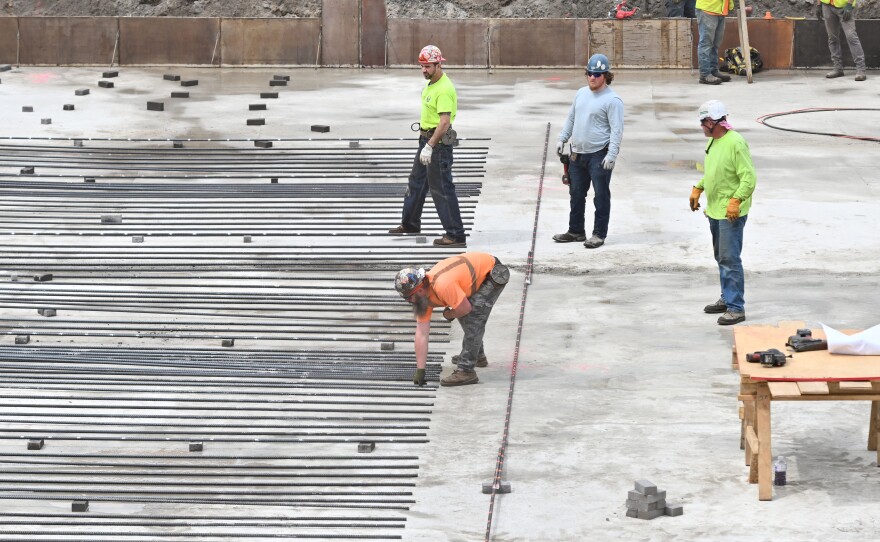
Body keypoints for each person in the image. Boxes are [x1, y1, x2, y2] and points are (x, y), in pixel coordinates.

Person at [388, 45, 467, 247]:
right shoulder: (432, 83)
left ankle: (455, 234)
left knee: (442, 189)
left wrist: (430, 146)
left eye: (428, 66)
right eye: (422, 66)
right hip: (427, 141)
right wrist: (426, 144)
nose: (424, 70)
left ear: (439, 64)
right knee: (417, 183)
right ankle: (410, 223)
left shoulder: (444, 89)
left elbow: (444, 122)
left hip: (437, 145)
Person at [395, 252, 509, 387]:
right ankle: (477, 356)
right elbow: (421, 333)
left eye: (408, 297)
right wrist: (420, 370)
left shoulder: (443, 286)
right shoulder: (423, 297)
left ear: (419, 291)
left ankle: (466, 371)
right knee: (460, 309)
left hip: (492, 274)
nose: (408, 301)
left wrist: (449, 315)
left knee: (473, 317)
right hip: (473, 275)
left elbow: (465, 309)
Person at [688, 100, 756, 326]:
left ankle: (736, 308)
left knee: (730, 259)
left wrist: (736, 200)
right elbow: (713, 172)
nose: (701, 126)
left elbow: (749, 177)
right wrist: (699, 187)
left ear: (712, 122)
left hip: (730, 213)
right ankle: (727, 297)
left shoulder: (736, 143)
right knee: (721, 257)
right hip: (716, 210)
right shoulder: (713, 142)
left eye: (703, 122)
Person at [553, 53, 624, 249]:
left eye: (597, 74)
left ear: (605, 76)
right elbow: (572, 118)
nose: (592, 77)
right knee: (576, 194)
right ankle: (576, 231)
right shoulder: (581, 93)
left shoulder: (613, 100)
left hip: (599, 155)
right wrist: (562, 138)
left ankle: (599, 234)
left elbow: (617, 130)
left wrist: (612, 155)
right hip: (577, 154)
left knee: (601, 196)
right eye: (589, 73)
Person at [817, 0, 867, 81]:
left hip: (844, 6)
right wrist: (818, 4)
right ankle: (838, 68)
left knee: (851, 37)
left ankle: (861, 69)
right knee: (832, 38)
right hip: (827, 5)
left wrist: (849, 4)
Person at [695, 0, 732, 85]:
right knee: (706, 44)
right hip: (708, 9)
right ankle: (705, 74)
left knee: (715, 45)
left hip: (720, 10)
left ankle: (713, 71)